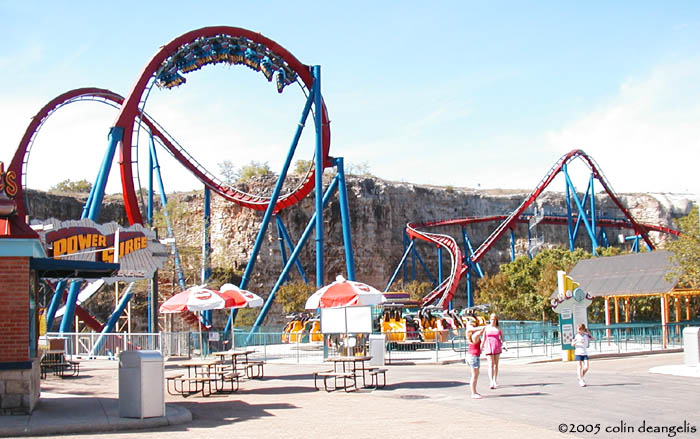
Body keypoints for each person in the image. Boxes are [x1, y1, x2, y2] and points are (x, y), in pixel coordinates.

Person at [482, 313, 506, 389]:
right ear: (490, 320)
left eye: (494, 319)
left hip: (497, 346)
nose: (493, 321)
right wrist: (481, 346)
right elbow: (483, 338)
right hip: (489, 346)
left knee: (496, 365)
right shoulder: (487, 328)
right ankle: (491, 381)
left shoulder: (499, 328)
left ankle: (495, 380)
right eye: (492, 319)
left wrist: (505, 344)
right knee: (490, 364)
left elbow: (503, 338)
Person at [466, 324, 486, 399]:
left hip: (472, 355)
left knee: (475, 374)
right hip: (473, 356)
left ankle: (474, 391)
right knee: (474, 375)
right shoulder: (474, 335)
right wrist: (484, 327)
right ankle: (473, 393)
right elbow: (480, 331)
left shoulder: (469, 334)